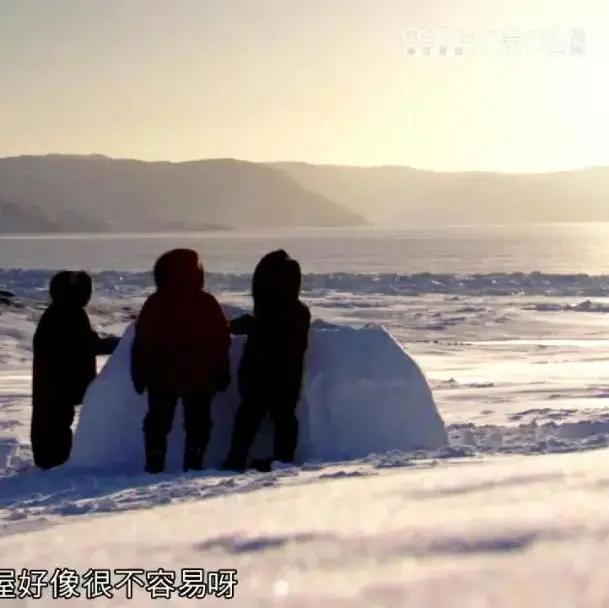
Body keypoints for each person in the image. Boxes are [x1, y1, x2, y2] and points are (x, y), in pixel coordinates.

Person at [131, 249, 230, 473]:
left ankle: (155, 462)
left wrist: (139, 373)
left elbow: (142, 341)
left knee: (158, 421)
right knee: (198, 423)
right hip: (199, 376)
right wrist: (222, 371)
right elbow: (221, 340)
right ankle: (193, 463)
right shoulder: (206, 303)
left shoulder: (155, 303)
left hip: (161, 375)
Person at [223, 250, 310, 471]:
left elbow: (263, 331)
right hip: (288, 377)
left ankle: (236, 458)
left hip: (259, 375)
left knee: (249, 416)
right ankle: (283, 459)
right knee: (285, 417)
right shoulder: (299, 311)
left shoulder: (266, 312)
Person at [31, 271, 118, 470]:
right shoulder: (69, 314)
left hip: (53, 382)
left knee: (51, 420)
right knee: (55, 423)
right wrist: (112, 345)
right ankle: (52, 461)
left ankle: (50, 459)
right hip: (60, 382)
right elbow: (82, 345)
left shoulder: (58, 312)